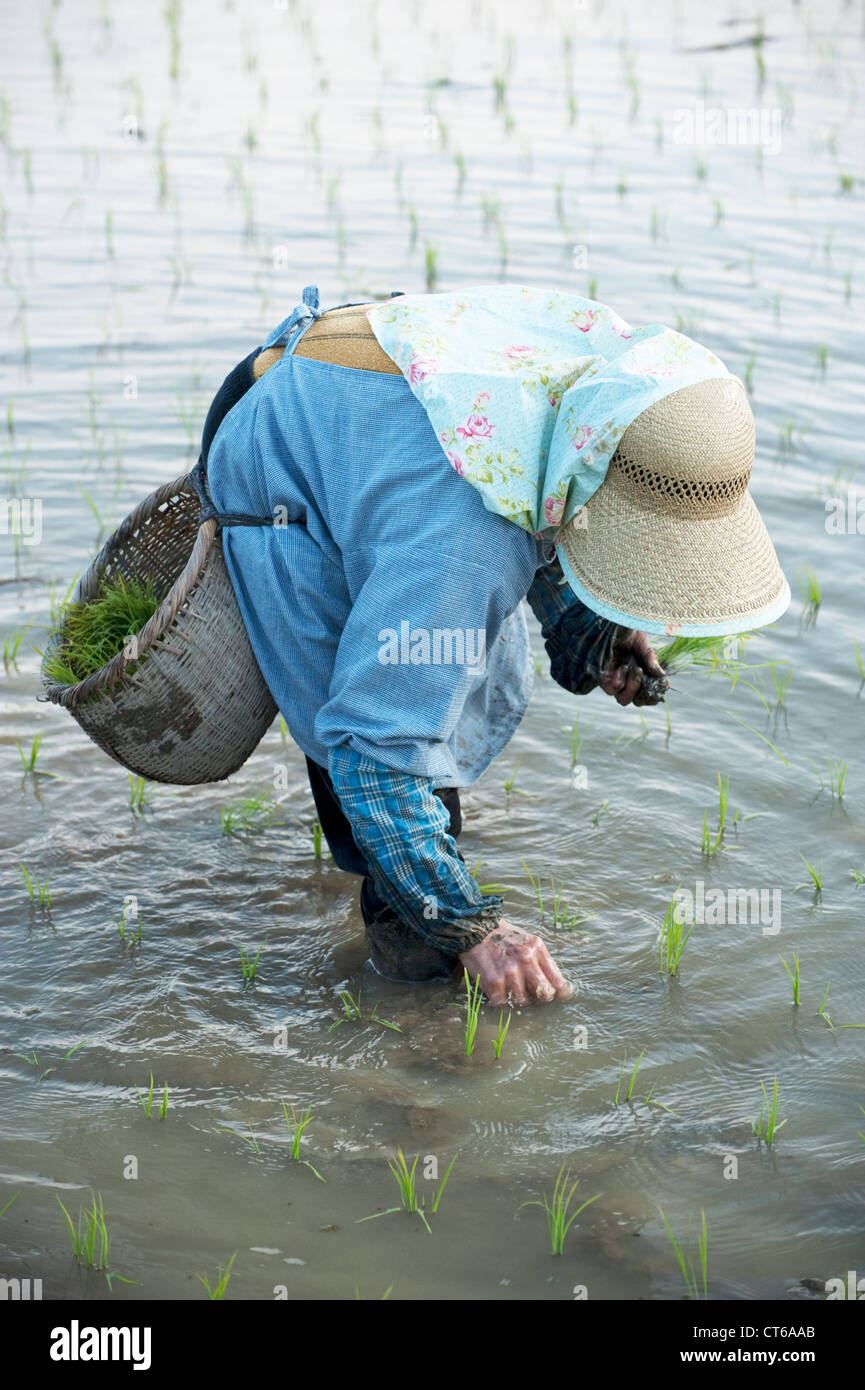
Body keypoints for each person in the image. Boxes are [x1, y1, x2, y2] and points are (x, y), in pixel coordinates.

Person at [201, 284, 790, 1005]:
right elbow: (371, 749)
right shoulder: (460, 549)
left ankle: (412, 895)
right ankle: (409, 999)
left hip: (380, 402)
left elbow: (542, 492)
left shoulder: (605, 401)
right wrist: (469, 927)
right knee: (384, 726)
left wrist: (589, 631)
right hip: (285, 451)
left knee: (426, 683)